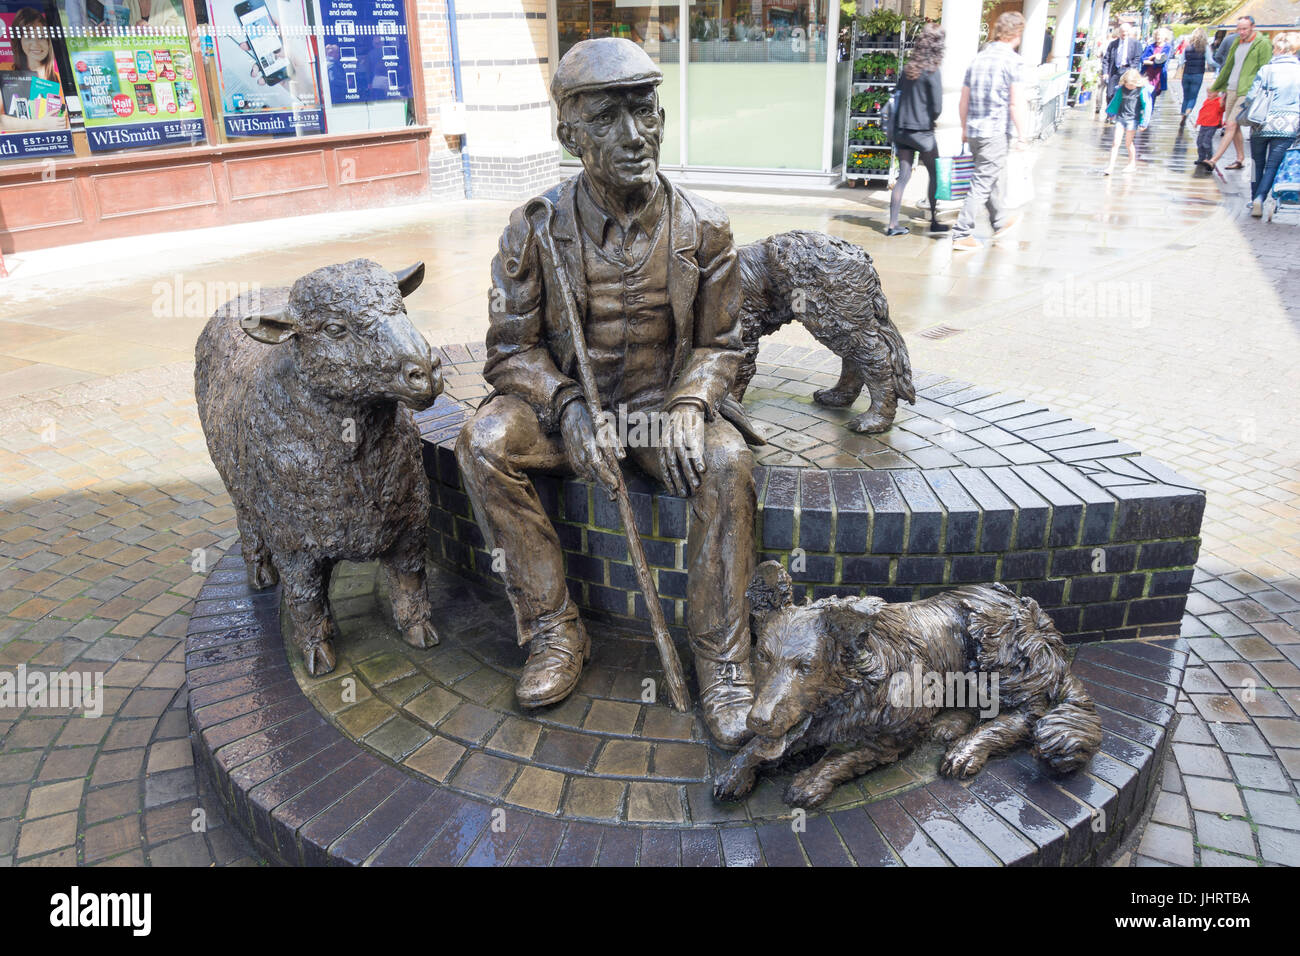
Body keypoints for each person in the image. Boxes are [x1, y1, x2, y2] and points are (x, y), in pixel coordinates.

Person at [455, 38, 760, 748]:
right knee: (484, 440)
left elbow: (725, 346)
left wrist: (690, 403)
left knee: (727, 464)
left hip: (662, 410)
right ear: (569, 135)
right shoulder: (534, 229)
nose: (635, 135)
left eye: (645, 110)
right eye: (609, 118)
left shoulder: (705, 228)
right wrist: (564, 405)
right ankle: (556, 632)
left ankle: (723, 662)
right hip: (570, 413)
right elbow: (509, 348)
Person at [951, 11, 1026, 251]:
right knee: (983, 181)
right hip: (994, 131)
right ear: (1016, 34)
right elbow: (1015, 102)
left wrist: (964, 127)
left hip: (974, 129)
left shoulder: (978, 59)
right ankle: (962, 232)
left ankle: (1000, 221)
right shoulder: (1012, 61)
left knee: (991, 176)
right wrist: (1023, 134)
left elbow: (964, 99)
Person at [886, 23, 947, 237]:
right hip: (923, 133)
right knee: (934, 174)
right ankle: (934, 221)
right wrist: (930, 119)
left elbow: (898, 95)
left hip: (902, 130)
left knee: (903, 177)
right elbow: (937, 107)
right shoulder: (932, 70)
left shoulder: (909, 68)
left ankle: (893, 225)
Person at [1207, 15, 1274, 170]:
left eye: (1244, 29)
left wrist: (1258, 92)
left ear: (1252, 27)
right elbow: (1228, 67)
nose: (1241, 32)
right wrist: (1217, 88)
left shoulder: (1262, 44)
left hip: (1247, 90)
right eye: (1239, 29)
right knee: (1234, 125)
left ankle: (1213, 160)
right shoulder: (1237, 41)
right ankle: (1240, 158)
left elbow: (1265, 70)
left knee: (1230, 124)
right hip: (1232, 88)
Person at [1245, 32, 1300, 217]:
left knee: (1255, 163)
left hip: (1261, 122)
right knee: (1272, 166)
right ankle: (1260, 197)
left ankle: (1254, 200)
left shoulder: (1266, 70)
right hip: (1288, 125)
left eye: (1274, 48)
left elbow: (1252, 96)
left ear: (1280, 49)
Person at [1104, 69, 1152, 175]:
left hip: (1133, 120)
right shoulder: (1121, 89)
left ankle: (1132, 164)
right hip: (1121, 118)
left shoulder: (1142, 90)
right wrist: (1111, 113)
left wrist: (1144, 122)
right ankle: (1110, 166)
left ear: (1137, 82)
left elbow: (1147, 106)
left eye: (1131, 85)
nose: (1129, 87)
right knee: (1115, 143)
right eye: (1127, 84)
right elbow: (1116, 101)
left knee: (1128, 143)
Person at [1103, 23, 1143, 123]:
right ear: (1119, 32)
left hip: (1127, 70)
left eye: (1126, 32)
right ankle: (1110, 114)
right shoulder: (1113, 44)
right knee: (1110, 93)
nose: (1124, 34)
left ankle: (1118, 115)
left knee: (1123, 94)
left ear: (1129, 32)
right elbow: (1106, 58)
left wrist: (1131, 69)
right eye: (1122, 32)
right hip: (1115, 71)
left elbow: (1138, 58)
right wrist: (1105, 72)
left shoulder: (1135, 43)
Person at [1180, 27, 1210, 126]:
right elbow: (1210, 61)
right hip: (1198, 74)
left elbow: (1181, 61)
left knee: (1185, 96)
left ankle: (1182, 114)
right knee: (1193, 97)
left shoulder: (1187, 47)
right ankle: (1187, 113)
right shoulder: (1205, 48)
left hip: (1186, 73)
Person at [1141, 27, 1174, 109]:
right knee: (1146, 94)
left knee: (1153, 96)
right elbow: (1142, 59)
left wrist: (1149, 61)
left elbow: (1161, 63)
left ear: (1165, 37)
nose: (1158, 37)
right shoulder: (1150, 47)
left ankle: (1148, 114)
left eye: (1160, 35)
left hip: (1159, 76)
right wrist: (1154, 56)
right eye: (1157, 35)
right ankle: (1146, 115)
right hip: (1148, 74)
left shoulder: (1167, 48)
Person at [1194, 89, 1225, 170]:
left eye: (1211, 92)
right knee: (1199, 142)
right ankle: (1201, 158)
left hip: (1212, 124)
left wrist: (1223, 99)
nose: (1209, 94)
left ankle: (1210, 158)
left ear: (1217, 93)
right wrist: (1197, 122)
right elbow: (1202, 112)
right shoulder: (1207, 101)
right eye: (1208, 92)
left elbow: (1222, 109)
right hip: (1204, 124)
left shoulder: (1218, 101)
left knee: (1206, 142)